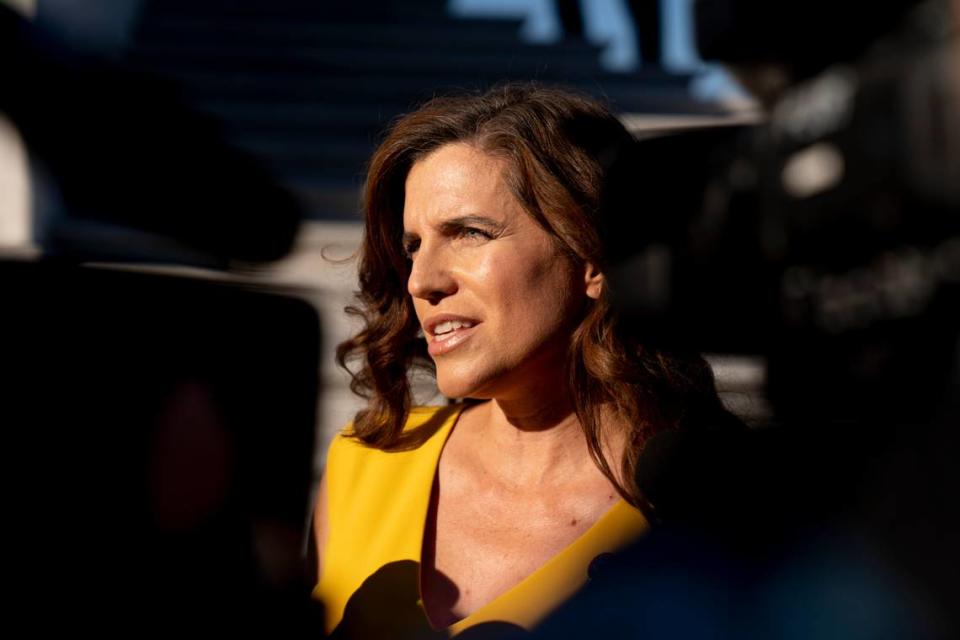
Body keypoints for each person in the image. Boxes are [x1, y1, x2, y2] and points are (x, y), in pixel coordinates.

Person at [312, 84, 737, 638]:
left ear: (591, 255)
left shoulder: (709, 501)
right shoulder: (365, 464)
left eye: (468, 233)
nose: (422, 280)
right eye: (413, 244)